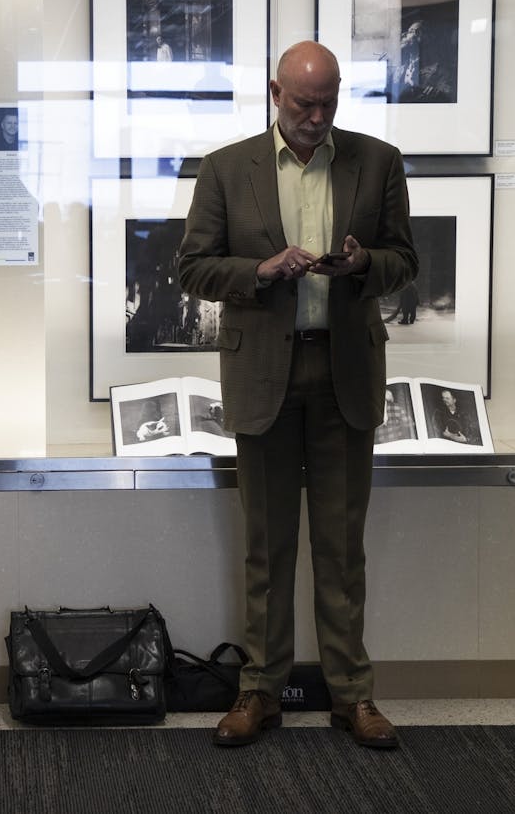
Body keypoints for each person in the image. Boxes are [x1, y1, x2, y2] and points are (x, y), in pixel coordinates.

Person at [177, 40, 418, 749]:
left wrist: (364, 262)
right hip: (263, 379)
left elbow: (405, 260)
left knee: (343, 548)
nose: (317, 117)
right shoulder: (227, 168)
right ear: (275, 92)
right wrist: (263, 269)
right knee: (266, 545)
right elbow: (192, 268)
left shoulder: (377, 161)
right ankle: (259, 692)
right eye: (304, 102)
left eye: (329, 102)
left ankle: (353, 696)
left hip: (343, 372)